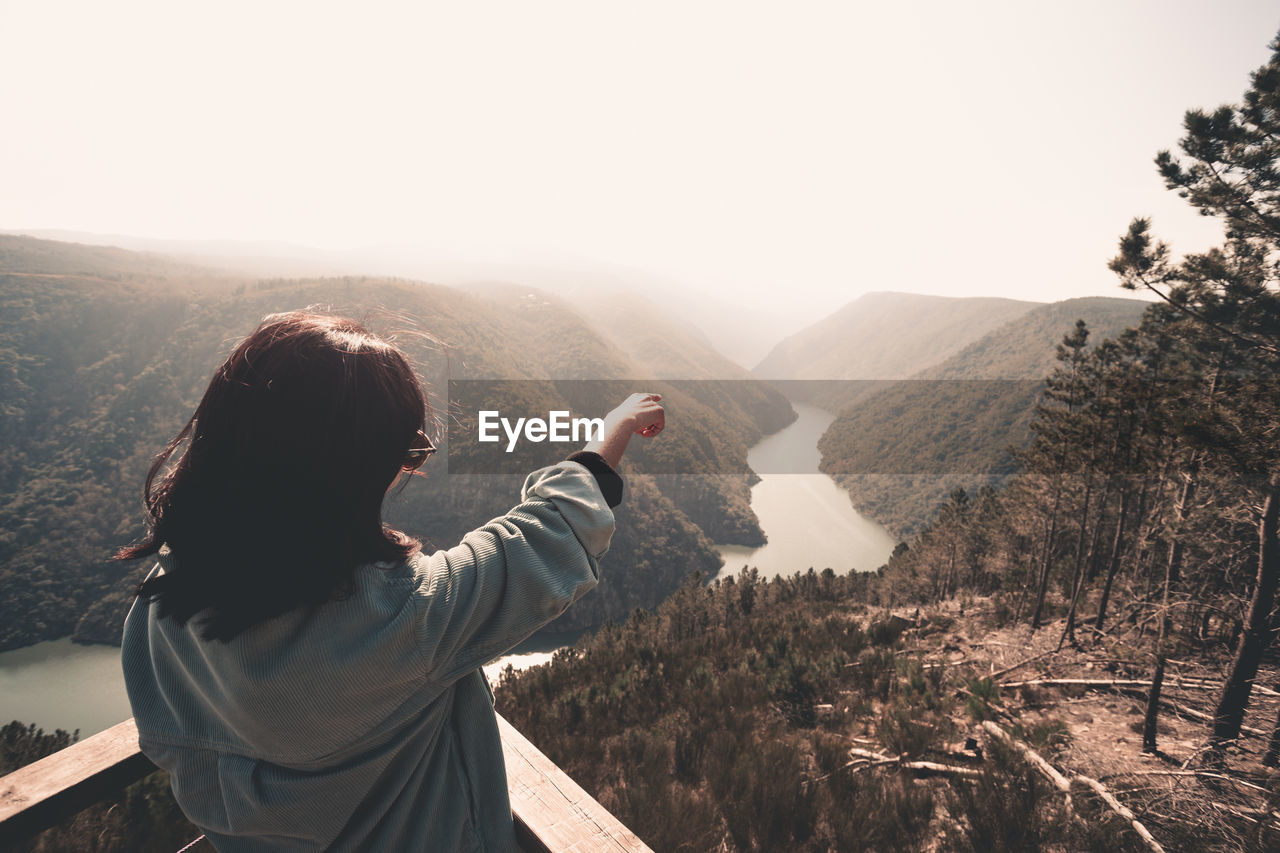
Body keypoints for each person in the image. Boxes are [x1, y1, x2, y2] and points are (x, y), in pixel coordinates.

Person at [118, 311, 665, 851]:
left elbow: (166, 742)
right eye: (402, 454)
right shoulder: (403, 622)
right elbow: (547, 535)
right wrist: (613, 428)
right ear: (347, 474)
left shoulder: (161, 602)